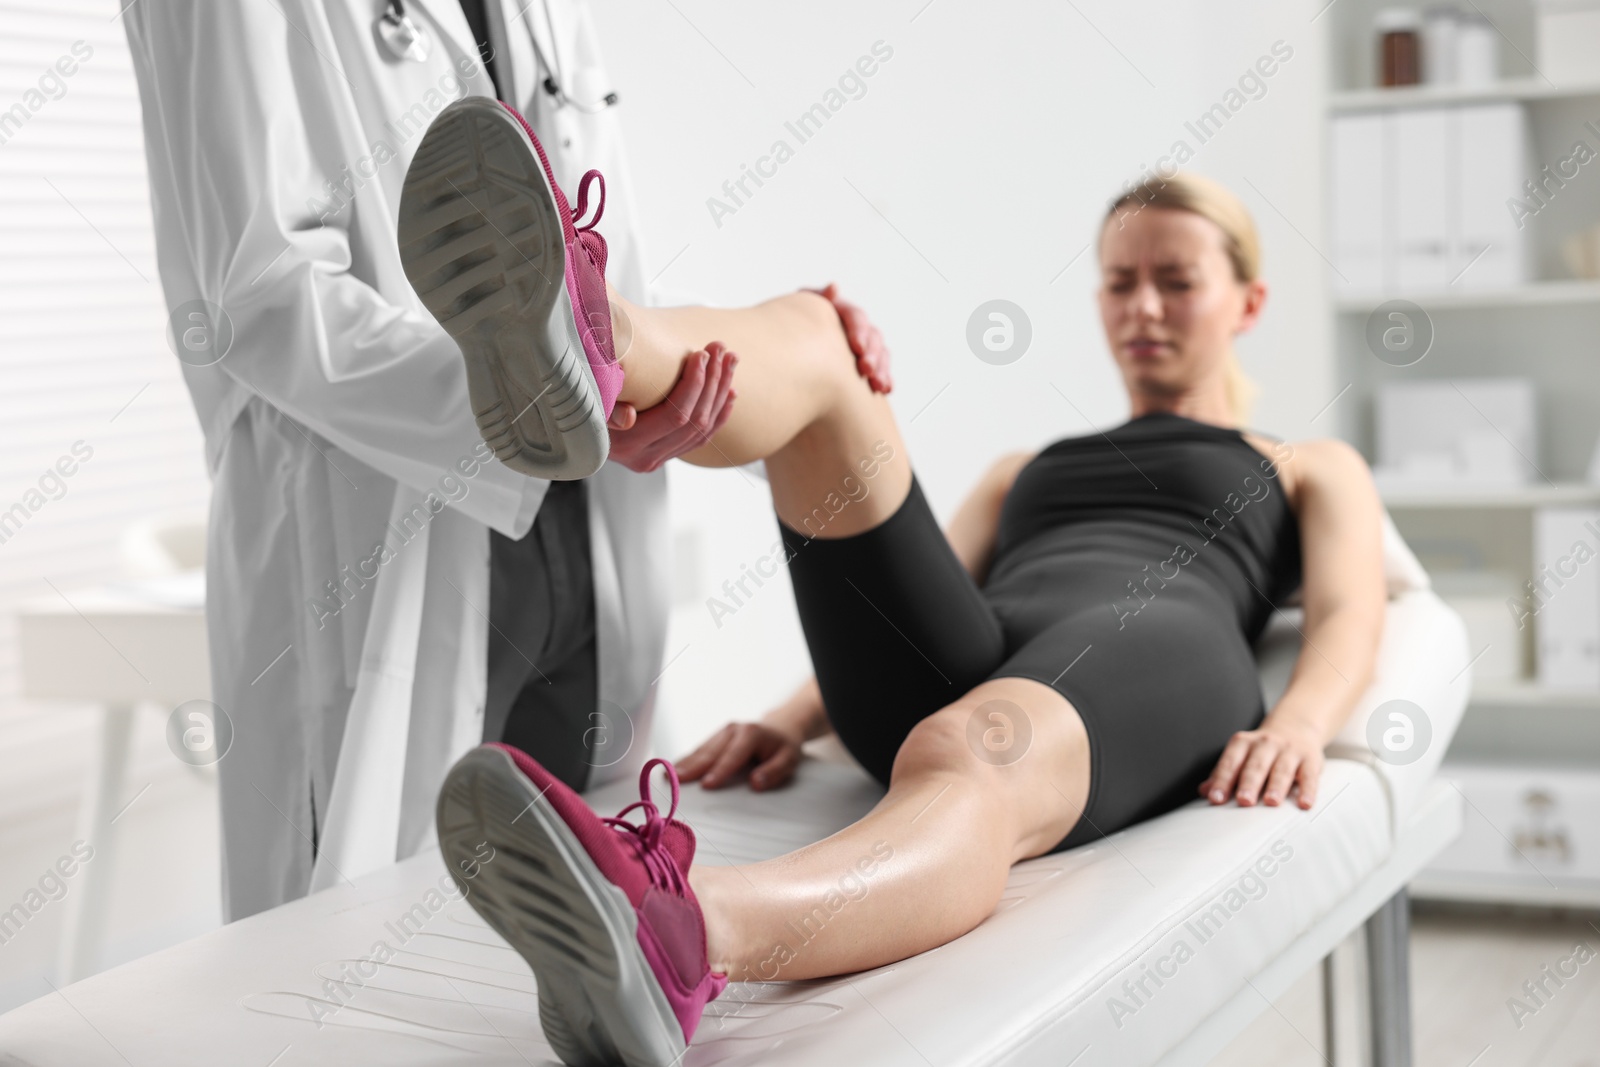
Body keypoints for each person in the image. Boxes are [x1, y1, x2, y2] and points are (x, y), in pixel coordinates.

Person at [428, 138, 1388, 1067]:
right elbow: (928, 586)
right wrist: (791, 717)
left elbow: (1350, 612)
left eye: (1176, 281)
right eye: (1119, 281)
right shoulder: (1027, 470)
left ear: (1248, 302)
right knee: (822, 334)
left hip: (1161, 641)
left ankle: (685, 931)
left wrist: (1302, 722)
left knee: (970, 744)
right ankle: (595, 334)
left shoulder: (1304, 463)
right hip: (991, 648)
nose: (1143, 306)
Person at [121, 0, 886, 922]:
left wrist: (778, 358)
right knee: (370, 977)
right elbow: (261, 296)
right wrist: (530, 402)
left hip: (585, 553)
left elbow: (597, 291)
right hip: (381, 548)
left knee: (582, 938)